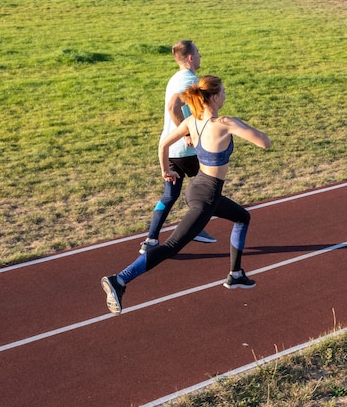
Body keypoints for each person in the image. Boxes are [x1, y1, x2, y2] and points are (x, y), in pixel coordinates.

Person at [101, 75, 272, 315]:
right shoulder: (224, 123)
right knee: (171, 245)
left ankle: (235, 274)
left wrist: (165, 170)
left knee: (242, 217)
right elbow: (265, 142)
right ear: (214, 97)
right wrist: (240, 124)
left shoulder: (192, 121)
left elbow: (163, 145)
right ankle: (119, 280)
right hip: (206, 198)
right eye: (223, 92)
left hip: (197, 188)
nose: (225, 95)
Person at [139, 40, 216, 255]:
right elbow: (173, 106)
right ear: (190, 58)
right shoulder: (190, 80)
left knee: (169, 195)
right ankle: (196, 228)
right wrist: (188, 133)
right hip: (187, 151)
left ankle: (151, 239)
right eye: (198, 52)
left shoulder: (175, 78)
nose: (201, 56)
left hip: (171, 149)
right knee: (209, 189)